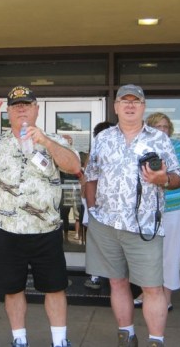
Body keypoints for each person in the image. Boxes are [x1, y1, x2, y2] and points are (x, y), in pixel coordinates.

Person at [0, 86, 81, 347]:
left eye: (26, 104)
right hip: (8, 231)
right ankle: (19, 339)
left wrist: (46, 142)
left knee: (55, 288)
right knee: (12, 289)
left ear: (37, 109)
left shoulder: (54, 139)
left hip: (46, 230)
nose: (21, 109)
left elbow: (74, 166)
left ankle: (60, 341)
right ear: (8, 112)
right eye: (15, 106)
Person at [84, 84, 180, 347]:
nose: (130, 105)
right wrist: (93, 212)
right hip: (106, 224)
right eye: (124, 101)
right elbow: (91, 177)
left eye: (135, 101)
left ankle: (156, 341)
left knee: (152, 287)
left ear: (143, 107)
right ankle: (126, 336)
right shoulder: (103, 138)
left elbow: (178, 177)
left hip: (145, 227)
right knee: (117, 282)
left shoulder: (159, 139)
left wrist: (163, 179)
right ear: (116, 106)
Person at [133, 113, 180, 311]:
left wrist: (158, 174)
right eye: (158, 126)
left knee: (170, 253)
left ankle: (166, 296)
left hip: (174, 206)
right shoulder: (141, 145)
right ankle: (148, 291)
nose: (163, 130)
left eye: (165, 126)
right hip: (147, 207)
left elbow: (178, 169)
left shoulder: (177, 145)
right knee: (147, 254)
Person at [82, 121, 115, 291]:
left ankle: (112, 275)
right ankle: (95, 275)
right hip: (95, 204)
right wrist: (91, 206)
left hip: (114, 207)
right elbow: (86, 180)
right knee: (96, 240)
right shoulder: (94, 153)